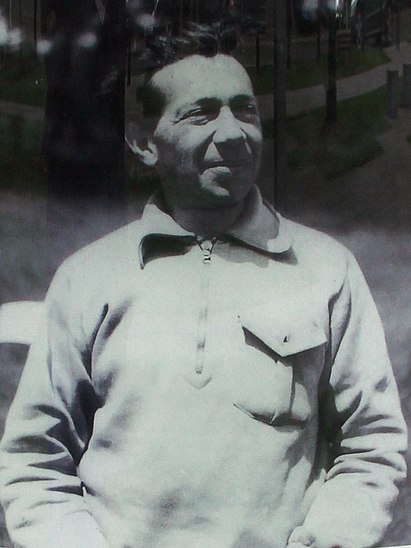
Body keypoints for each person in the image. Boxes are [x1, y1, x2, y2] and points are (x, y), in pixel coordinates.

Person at [0, 52, 407, 548]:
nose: (233, 133)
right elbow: (36, 460)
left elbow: (372, 444)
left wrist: (330, 536)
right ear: (143, 142)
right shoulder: (87, 278)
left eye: (245, 110)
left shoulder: (327, 269)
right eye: (201, 114)